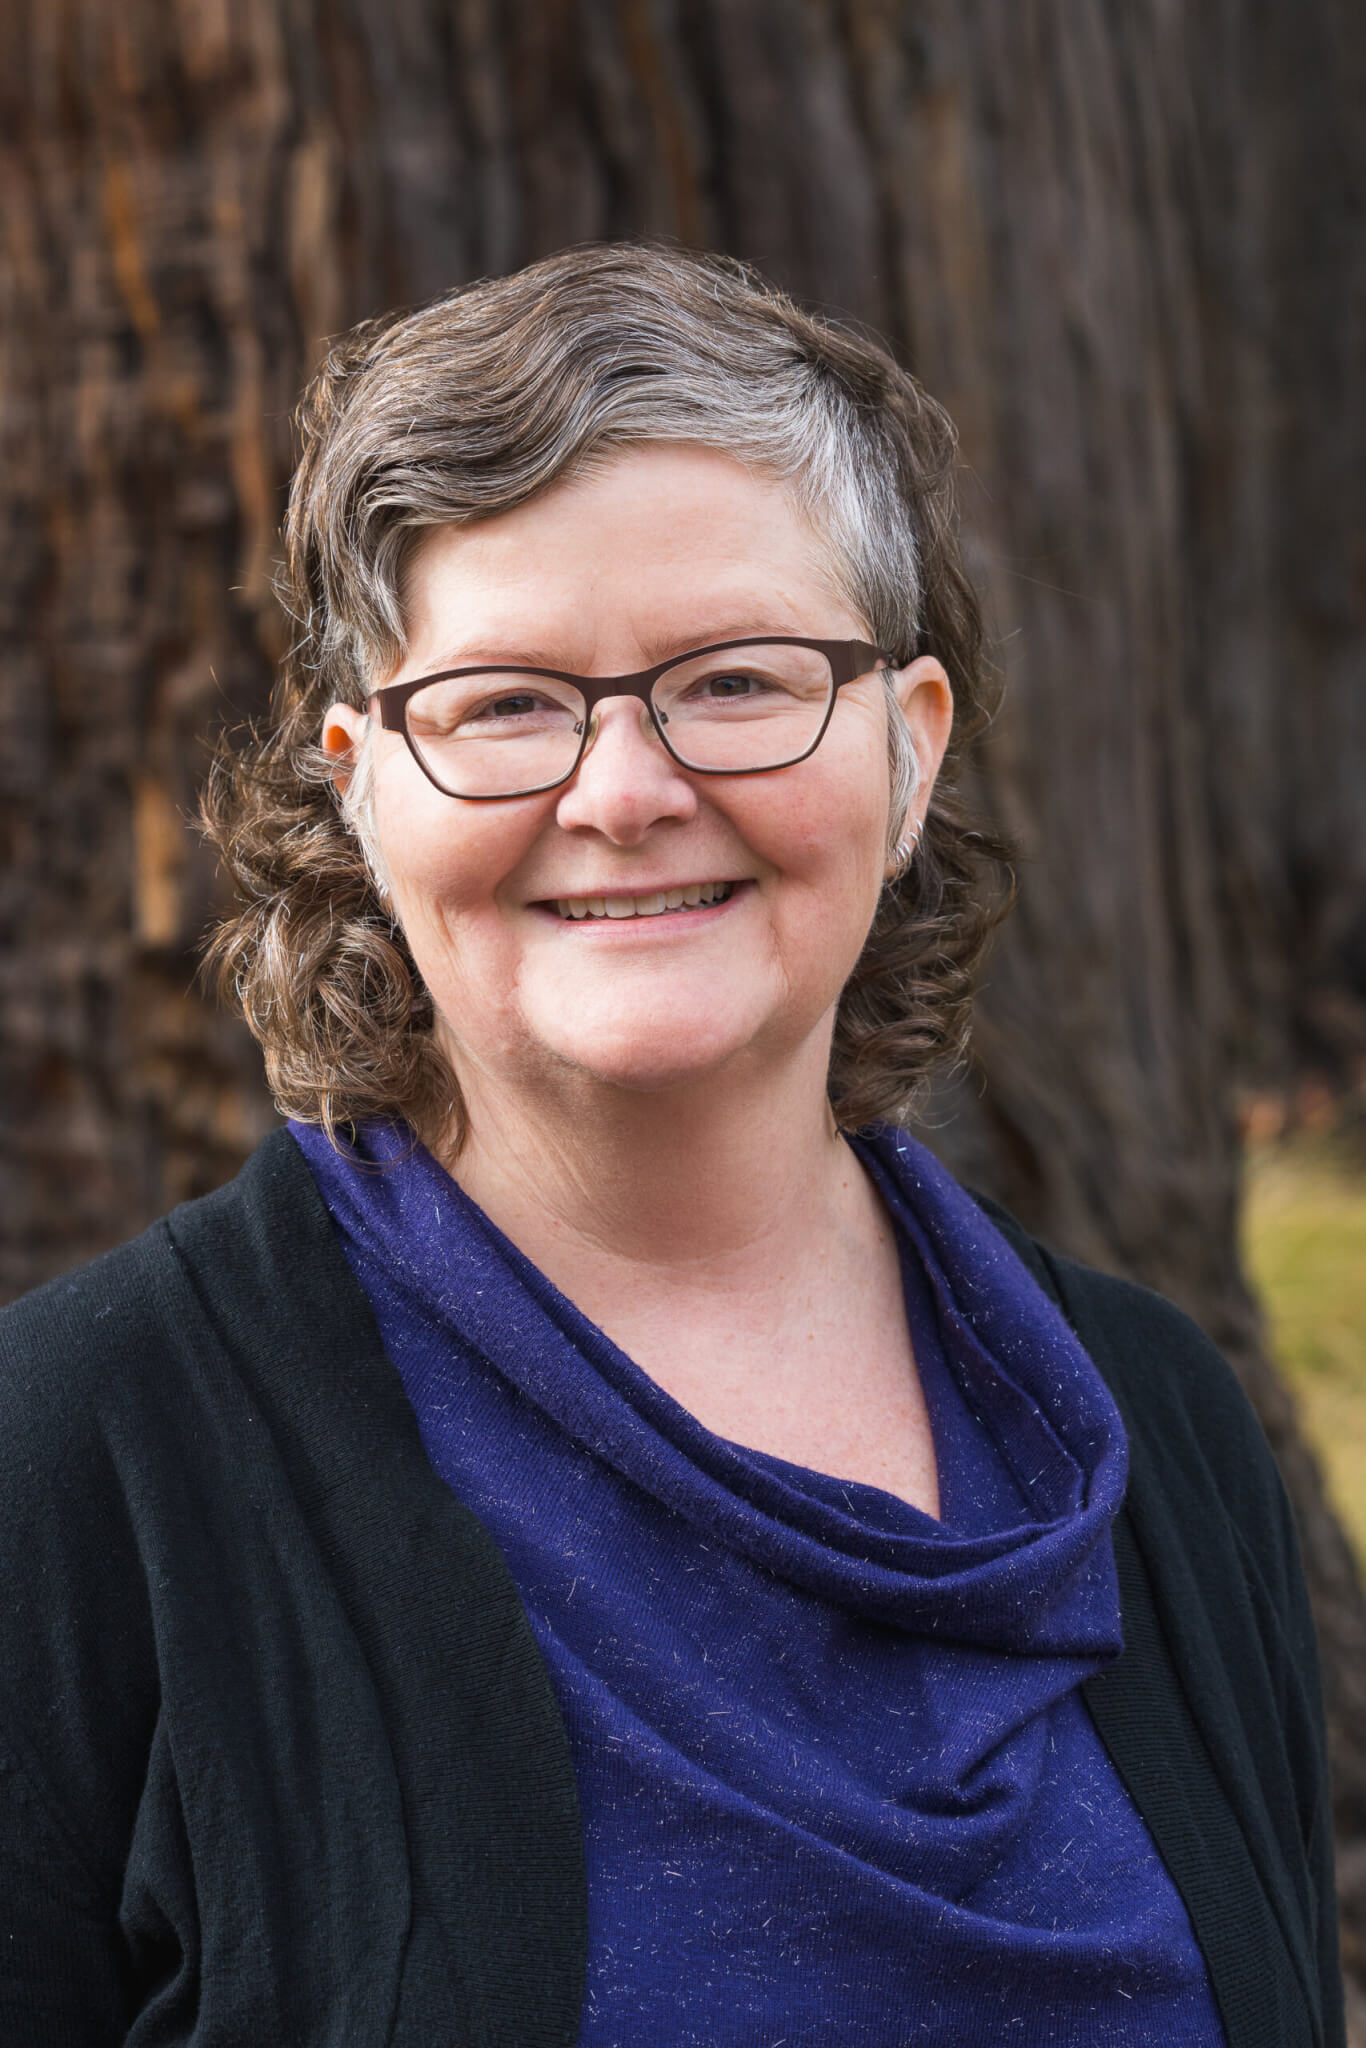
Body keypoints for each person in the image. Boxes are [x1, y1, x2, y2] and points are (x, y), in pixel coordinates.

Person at [0, 243, 1343, 2048]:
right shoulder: (79, 1460)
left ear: (908, 749)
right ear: (361, 783)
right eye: (504, 704)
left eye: (732, 679)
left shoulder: (1157, 1426)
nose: (623, 793)